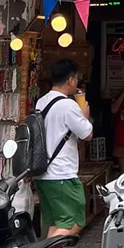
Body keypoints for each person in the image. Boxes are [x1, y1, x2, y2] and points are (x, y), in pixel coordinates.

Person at [34, 59, 94, 237]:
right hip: (62, 175)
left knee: (56, 223)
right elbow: (87, 134)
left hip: (43, 174)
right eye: (76, 79)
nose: (76, 84)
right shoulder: (68, 106)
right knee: (73, 223)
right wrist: (84, 115)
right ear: (70, 80)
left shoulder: (41, 102)